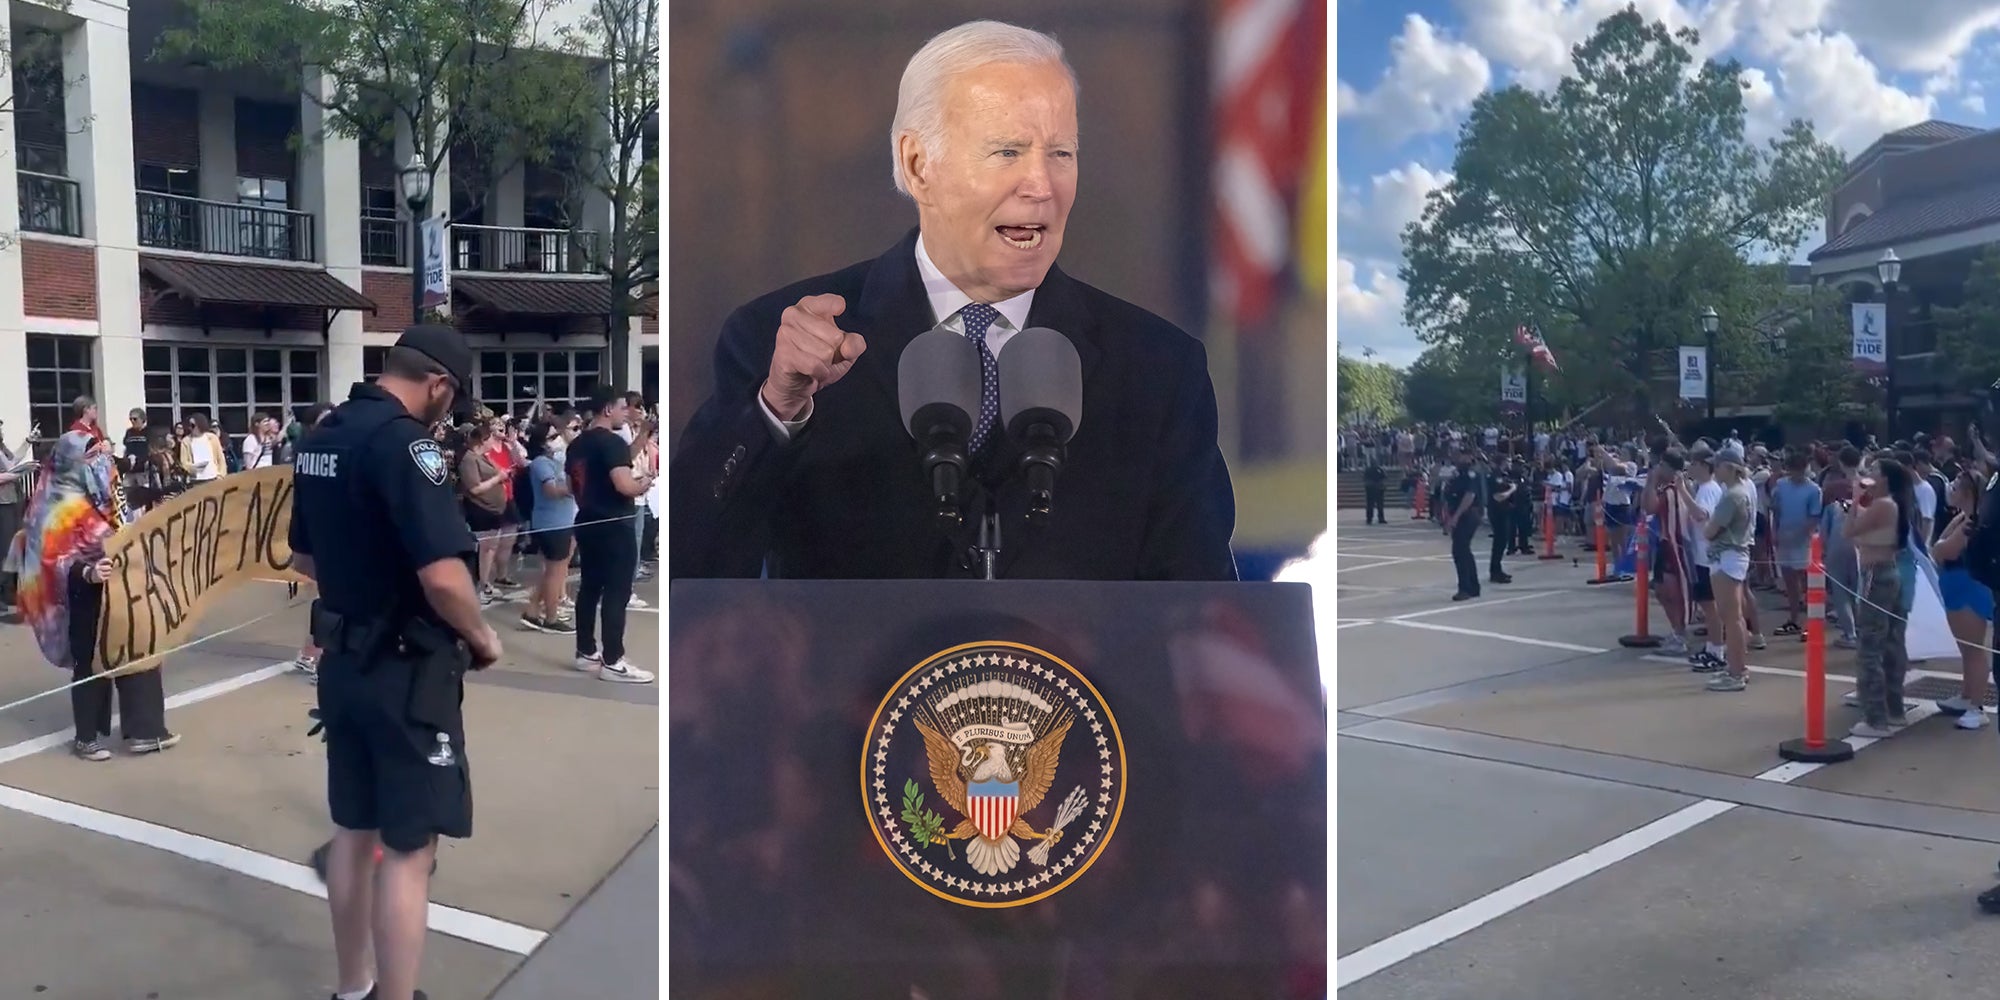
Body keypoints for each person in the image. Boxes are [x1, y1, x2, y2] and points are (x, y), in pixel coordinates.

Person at [669, 20, 1235, 581]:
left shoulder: (1160, 370)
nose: (1041, 183)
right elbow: (695, 562)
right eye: (1008, 151)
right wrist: (777, 411)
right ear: (919, 166)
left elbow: (1204, 618)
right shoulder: (778, 344)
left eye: (1061, 153)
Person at [287, 324, 504, 1000]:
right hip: (407, 670)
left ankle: (353, 987)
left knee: (353, 831)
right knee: (410, 851)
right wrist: (484, 638)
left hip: (343, 660)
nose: (451, 409)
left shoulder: (322, 438)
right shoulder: (406, 446)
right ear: (438, 383)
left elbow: (302, 559)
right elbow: (443, 578)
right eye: (453, 396)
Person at [567, 386, 655, 683]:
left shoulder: (577, 444)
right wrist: (642, 484)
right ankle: (614, 659)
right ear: (608, 409)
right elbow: (624, 484)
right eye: (621, 407)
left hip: (587, 521)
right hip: (615, 523)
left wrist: (643, 433)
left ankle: (585, 651)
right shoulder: (613, 442)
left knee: (589, 587)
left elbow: (575, 484)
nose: (625, 412)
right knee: (617, 590)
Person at [1841, 460, 1914, 739]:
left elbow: (1849, 531)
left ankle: (1875, 718)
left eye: (1874, 472)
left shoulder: (1883, 504)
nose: (1868, 476)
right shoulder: (1892, 504)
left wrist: (1856, 498)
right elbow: (1865, 535)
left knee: (1869, 645)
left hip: (1875, 574)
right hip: (1889, 572)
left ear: (1884, 479)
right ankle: (1894, 710)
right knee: (1892, 642)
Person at [1927, 468, 1990, 730]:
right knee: (1966, 648)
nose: (1950, 488)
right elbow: (1938, 547)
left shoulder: (1972, 521)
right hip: (1956, 586)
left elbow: (1945, 550)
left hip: (1967, 587)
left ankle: (1977, 705)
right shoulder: (1964, 517)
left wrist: (1940, 548)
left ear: (1967, 492)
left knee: (1974, 649)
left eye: (1955, 485)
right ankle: (1967, 695)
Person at [1697, 445, 1757, 692]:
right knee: (1735, 617)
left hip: (1727, 556)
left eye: (1719, 465)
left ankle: (1736, 672)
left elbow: (1711, 530)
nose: (1716, 469)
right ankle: (1736, 667)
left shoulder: (1733, 495)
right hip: (1733, 556)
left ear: (1730, 468)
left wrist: (1707, 527)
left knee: (1731, 618)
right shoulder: (1740, 491)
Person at [521, 420, 576, 634]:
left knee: (555, 572)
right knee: (554, 573)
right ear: (542, 442)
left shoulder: (557, 461)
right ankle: (551, 618)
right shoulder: (541, 463)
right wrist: (575, 486)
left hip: (562, 521)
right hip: (551, 524)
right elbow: (551, 491)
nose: (557, 439)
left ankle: (533, 611)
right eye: (552, 437)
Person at [1770, 451, 1822, 641]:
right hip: (1784, 538)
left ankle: (1811, 623)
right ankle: (1793, 618)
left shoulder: (1813, 490)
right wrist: (1775, 531)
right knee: (1790, 582)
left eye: (1800, 471)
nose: (1796, 475)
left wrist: (1799, 533)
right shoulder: (1781, 486)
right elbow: (1776, 510)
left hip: (1804, 541)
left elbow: (1814, 517)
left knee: (1807, 583)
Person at [1443, 446, 1486, 601]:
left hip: (1468, 514)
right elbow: (1449, 496)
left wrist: (1456, 517)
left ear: (1468, 456)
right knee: (1464, 551)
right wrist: (1449, 517)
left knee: (1460, 551)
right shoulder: (1457, 474)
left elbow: (1469, 496)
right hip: (1459, 514)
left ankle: (1465, 588)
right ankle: (1473, 586)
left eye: (1461, 454)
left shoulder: (1471, 473)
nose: (1457, 457)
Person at [1361, 460, 1386, 525]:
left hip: (1370, 488)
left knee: (1370, 504)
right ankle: (1381, 518)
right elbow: (1384, 477)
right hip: (1378, 488)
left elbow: (1364, 478)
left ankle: (1369, 519)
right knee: (1379, 504)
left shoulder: (1368, 470)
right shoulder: (1379, 469)